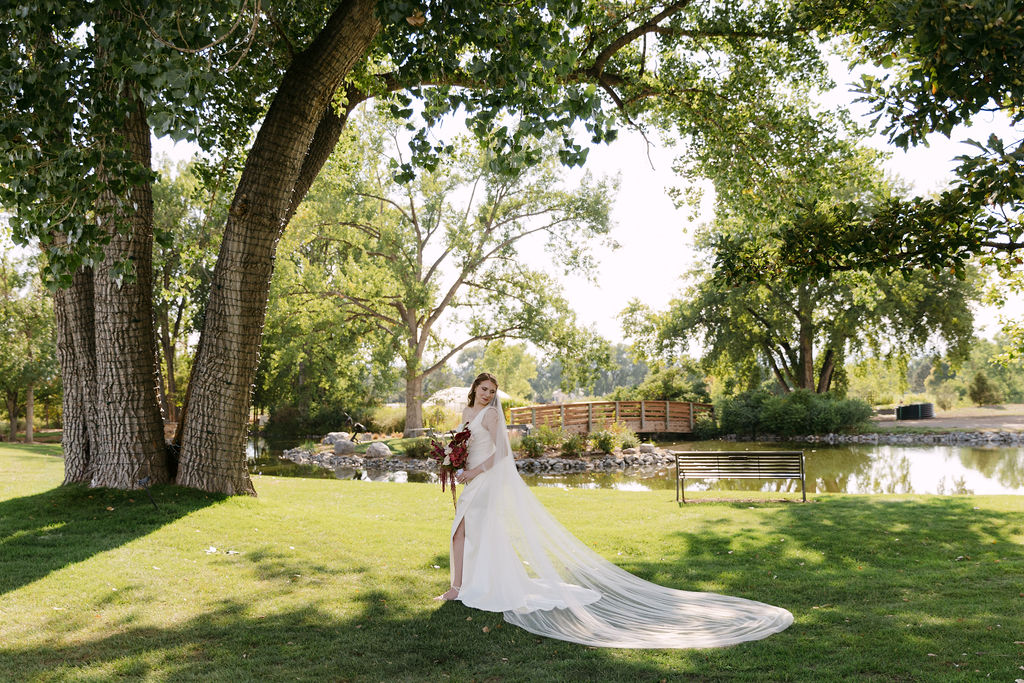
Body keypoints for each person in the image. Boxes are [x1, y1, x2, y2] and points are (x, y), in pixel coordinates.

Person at [435, 372, 794, 649]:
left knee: (463, 530)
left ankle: (460, 587)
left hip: (484, 478)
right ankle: (463, 584)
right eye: (484, 389)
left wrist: (472, 470)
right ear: (475, 388)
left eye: (492, 391)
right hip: (468, 476)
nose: (488, 395)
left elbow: (500, 453)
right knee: (467, 532)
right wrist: (453, 460)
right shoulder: (468, 412)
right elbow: (462, 442)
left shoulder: (493, 417)